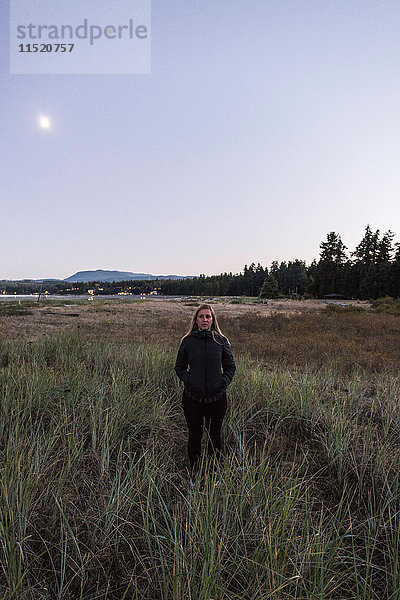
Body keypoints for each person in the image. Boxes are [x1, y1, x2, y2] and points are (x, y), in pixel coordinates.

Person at [175, 304, 236, 481]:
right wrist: (190, 381)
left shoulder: (221, 341)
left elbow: (230, 366)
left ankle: (214, 473)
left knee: (214, 436)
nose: (204, 320)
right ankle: (194, 473)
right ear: (196, 320)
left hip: (217, 399)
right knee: (195, 435)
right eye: (201, 317)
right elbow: (179, 367)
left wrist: (222, 383)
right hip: (192, 399)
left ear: (213, 320)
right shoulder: (187, 341)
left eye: (208, 317)